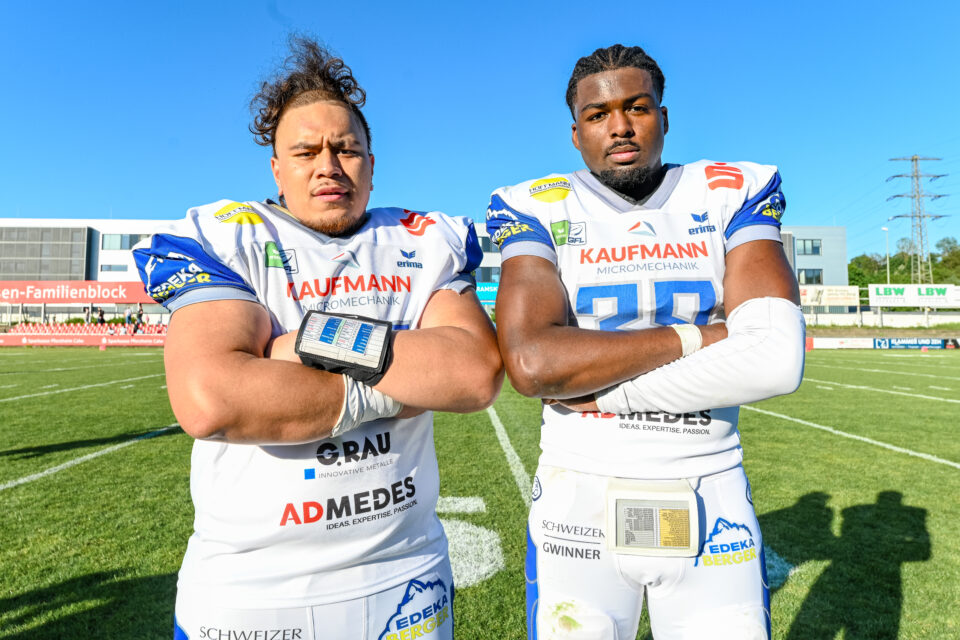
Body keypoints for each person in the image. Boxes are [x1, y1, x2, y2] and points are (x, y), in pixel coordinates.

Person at [134, 38, 502, 640]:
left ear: (371, 164)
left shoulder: (422, 239)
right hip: (252, 593)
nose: (328, 166)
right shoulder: (224, 237)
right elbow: (212, 400)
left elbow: (473, 373)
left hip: (406, 575)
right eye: (305, 152)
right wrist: (411, 379)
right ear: (276, 169)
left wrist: (298, 343)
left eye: (346, 149)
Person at [486, 44, 805, 640]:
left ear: (664, 116)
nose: (620, 127)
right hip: (577, 500)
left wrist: (604, 392)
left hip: (710, 485)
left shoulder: (731, 190)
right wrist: (701, 335)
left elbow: (775, 359)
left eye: (637, 107)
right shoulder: (536, 205)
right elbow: (532, 363)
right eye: (597, 114)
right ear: (576, 133)